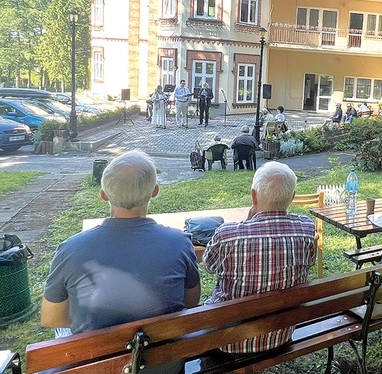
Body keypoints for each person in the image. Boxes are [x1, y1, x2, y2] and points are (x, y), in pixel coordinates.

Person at [41, 151, 200, 354]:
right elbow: (190, 301)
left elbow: (51, 318)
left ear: (103, 194)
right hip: (165, 363)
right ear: (155, 191)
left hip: (96, 364)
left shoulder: (70, 249)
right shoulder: (181, 243)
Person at [203, 162, 315, 354]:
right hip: (281, 334)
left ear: (253, 195)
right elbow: (310, 261)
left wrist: (246, 223)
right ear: (293, 197)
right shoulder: (306, 229)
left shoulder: (227, 234)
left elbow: (208, 266)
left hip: (229, 341)